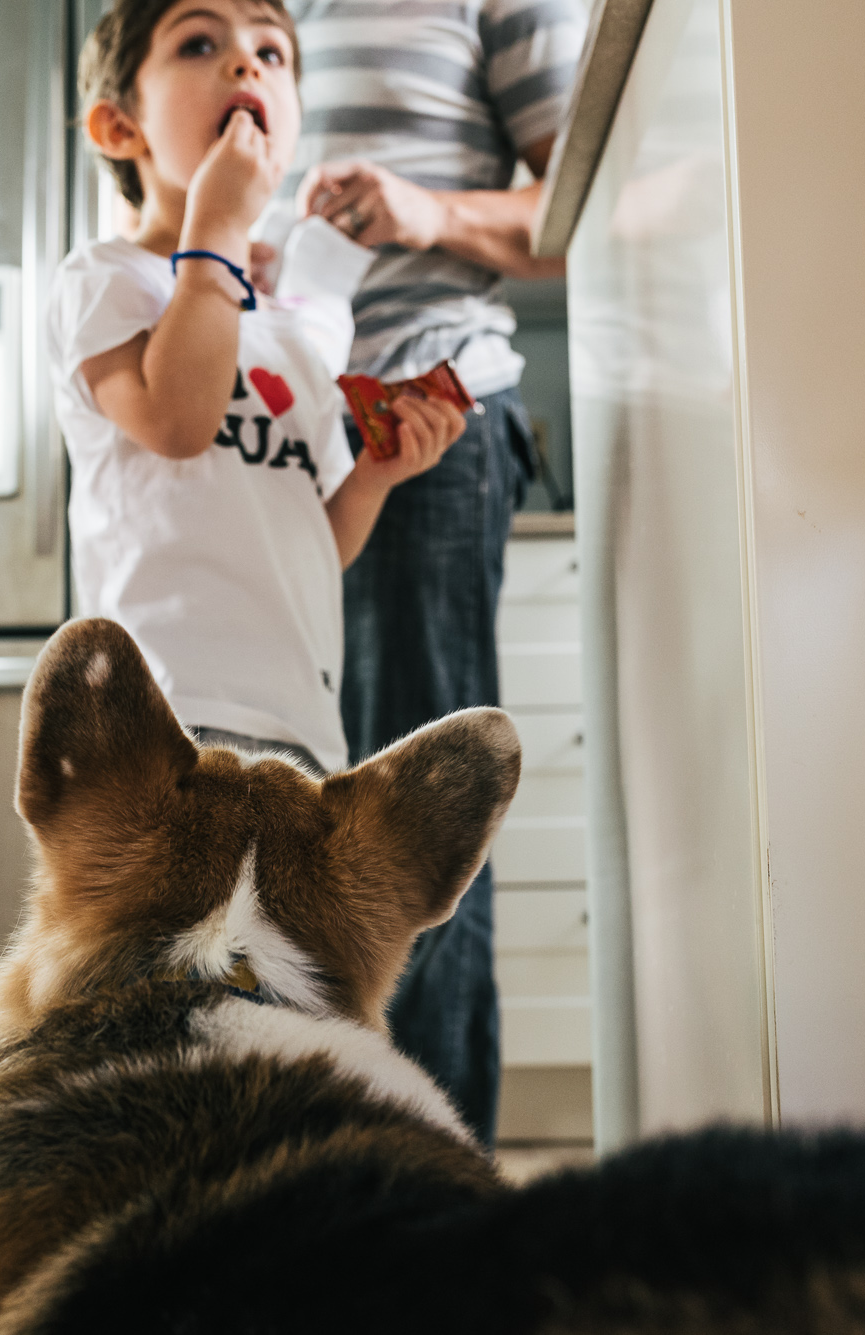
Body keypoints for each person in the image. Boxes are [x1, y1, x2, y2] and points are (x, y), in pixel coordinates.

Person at [286, 0, 590, 1145]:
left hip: (419, 427)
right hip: (258, 442)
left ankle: (424, 1184)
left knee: (410, 825)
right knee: (267, 810)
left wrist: (429, 209)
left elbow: (586, 219)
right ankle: (298, 1166)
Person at [49, 0, 465, 778]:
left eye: (273, 54)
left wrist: (374, 478)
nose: (247, 63)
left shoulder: (287, 329)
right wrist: (215, 234)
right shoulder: (104, 280)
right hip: (158, 713)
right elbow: (179, 421)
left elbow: (309, 541)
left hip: (301, 723)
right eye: (201, 43)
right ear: (119, 128)